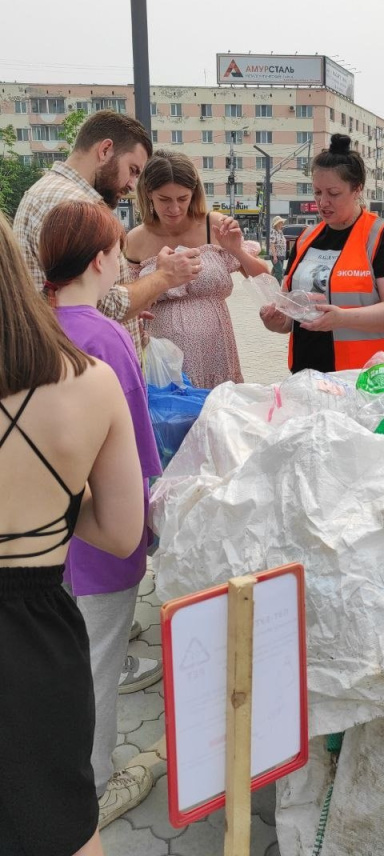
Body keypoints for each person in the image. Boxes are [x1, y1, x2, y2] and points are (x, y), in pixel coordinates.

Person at [0, 210, 144, 856]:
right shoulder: (91, 380)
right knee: (62, 829)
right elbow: (121, 532)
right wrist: (57, 501)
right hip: (36, 647)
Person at [38, 200, 163, 830]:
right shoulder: (104, 335)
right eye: (120, 252)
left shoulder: (31, 322)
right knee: (100, 657)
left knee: (62, 655)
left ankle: (55, 764)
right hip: (99, 528)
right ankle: (94, 782)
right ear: (99, 259)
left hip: (39, 529)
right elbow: (137, 450)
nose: (124, 261)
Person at [13, 109, 202, 363]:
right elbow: (105, 305)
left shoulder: (50, 192)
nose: (132, 184)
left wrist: (135, 307)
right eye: (133, 169)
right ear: (105, 150)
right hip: (86, 370)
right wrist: (164, 276)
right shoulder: (74, 205)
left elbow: (85, 298)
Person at [259, 134, 384, 373]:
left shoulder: (383, 237)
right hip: (306, 374)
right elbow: (291, 310)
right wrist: (278, 321)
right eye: (317, 192)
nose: (323, 202)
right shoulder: (306, 238)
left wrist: (343, 318)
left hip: (363, 378)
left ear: (357, 189)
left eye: (333, 193)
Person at [126, 151, 269, 388]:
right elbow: (128, 301)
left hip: (217, 354)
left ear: (194, 193)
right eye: (164, 199)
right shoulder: (136, 239)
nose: (174, 208)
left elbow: (264, 277)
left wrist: (237, 250)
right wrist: (159, 278)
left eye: (182, 198)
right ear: (148, 194)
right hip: (164, 359)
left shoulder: (214, 225)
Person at [270, 215, 287, 283]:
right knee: (279, 272)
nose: (282, 224)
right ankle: (276, 287)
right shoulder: (273, 231)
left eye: (282, 222)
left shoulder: (280, 232)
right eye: (281, 222)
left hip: (281, 255)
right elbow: (272, 244)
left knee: (276, 271)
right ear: (277, 223)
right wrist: (274, 256)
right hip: (276, 255)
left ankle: (270, 283)